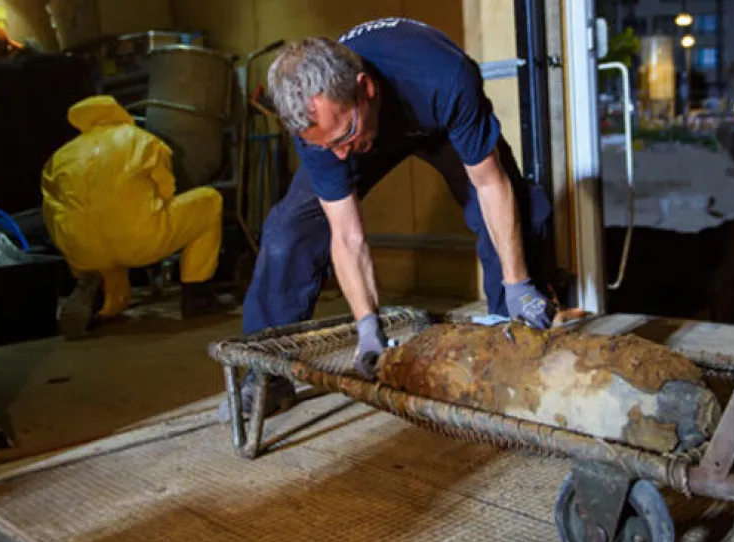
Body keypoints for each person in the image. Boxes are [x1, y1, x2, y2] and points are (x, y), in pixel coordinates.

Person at [226, 17, 558, 417]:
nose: (341, 157)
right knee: (288, 231)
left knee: (519, 205)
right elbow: (347, 233)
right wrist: (368, 327)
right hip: (366, 125)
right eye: (326, 145)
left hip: (436, 120)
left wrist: (518, 283)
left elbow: (490, 185)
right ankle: (266, 375)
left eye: (342, 138)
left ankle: (515, 345)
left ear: (366, 89)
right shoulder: (323, 128)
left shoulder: (444, 77)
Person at [41, 95, 231, 339]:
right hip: (139, 239)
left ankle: (101, 300)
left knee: (115, 289)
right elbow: (167, 189)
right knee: (210, 200)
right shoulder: (141, 140)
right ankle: (198, 294)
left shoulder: (60, 157)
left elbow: (51, 208)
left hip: (83, 251)